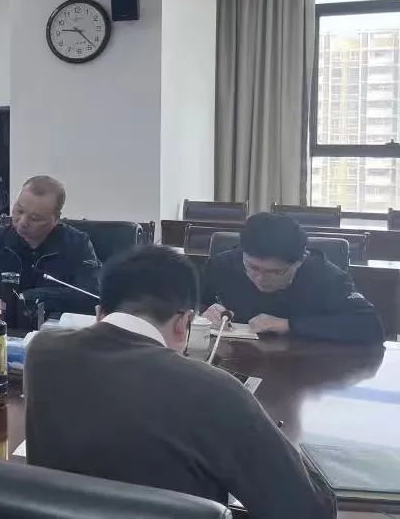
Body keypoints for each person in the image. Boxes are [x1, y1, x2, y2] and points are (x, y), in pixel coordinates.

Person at [25, 246, 336, 519]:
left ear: (99, 313)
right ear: (184, 322)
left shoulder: (42, 352)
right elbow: (307, 510)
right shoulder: (215, 388)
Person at [202, 213, 384, 344]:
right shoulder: (223, 264)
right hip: (231, 362)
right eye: (252, 267)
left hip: (301, 367)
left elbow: (370, 327)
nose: (260, 278)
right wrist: (207, 312)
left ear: (300, 260)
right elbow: (194, 304)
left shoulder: (325, 276)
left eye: (274, 272)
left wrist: (289, 325)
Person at [0, 175, 100, 314]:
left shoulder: (76, 244)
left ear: (55, 219)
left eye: (35, 218)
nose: (22, 222)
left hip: (52, 331)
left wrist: (28, 298)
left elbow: (92, 294)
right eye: (19, 211)